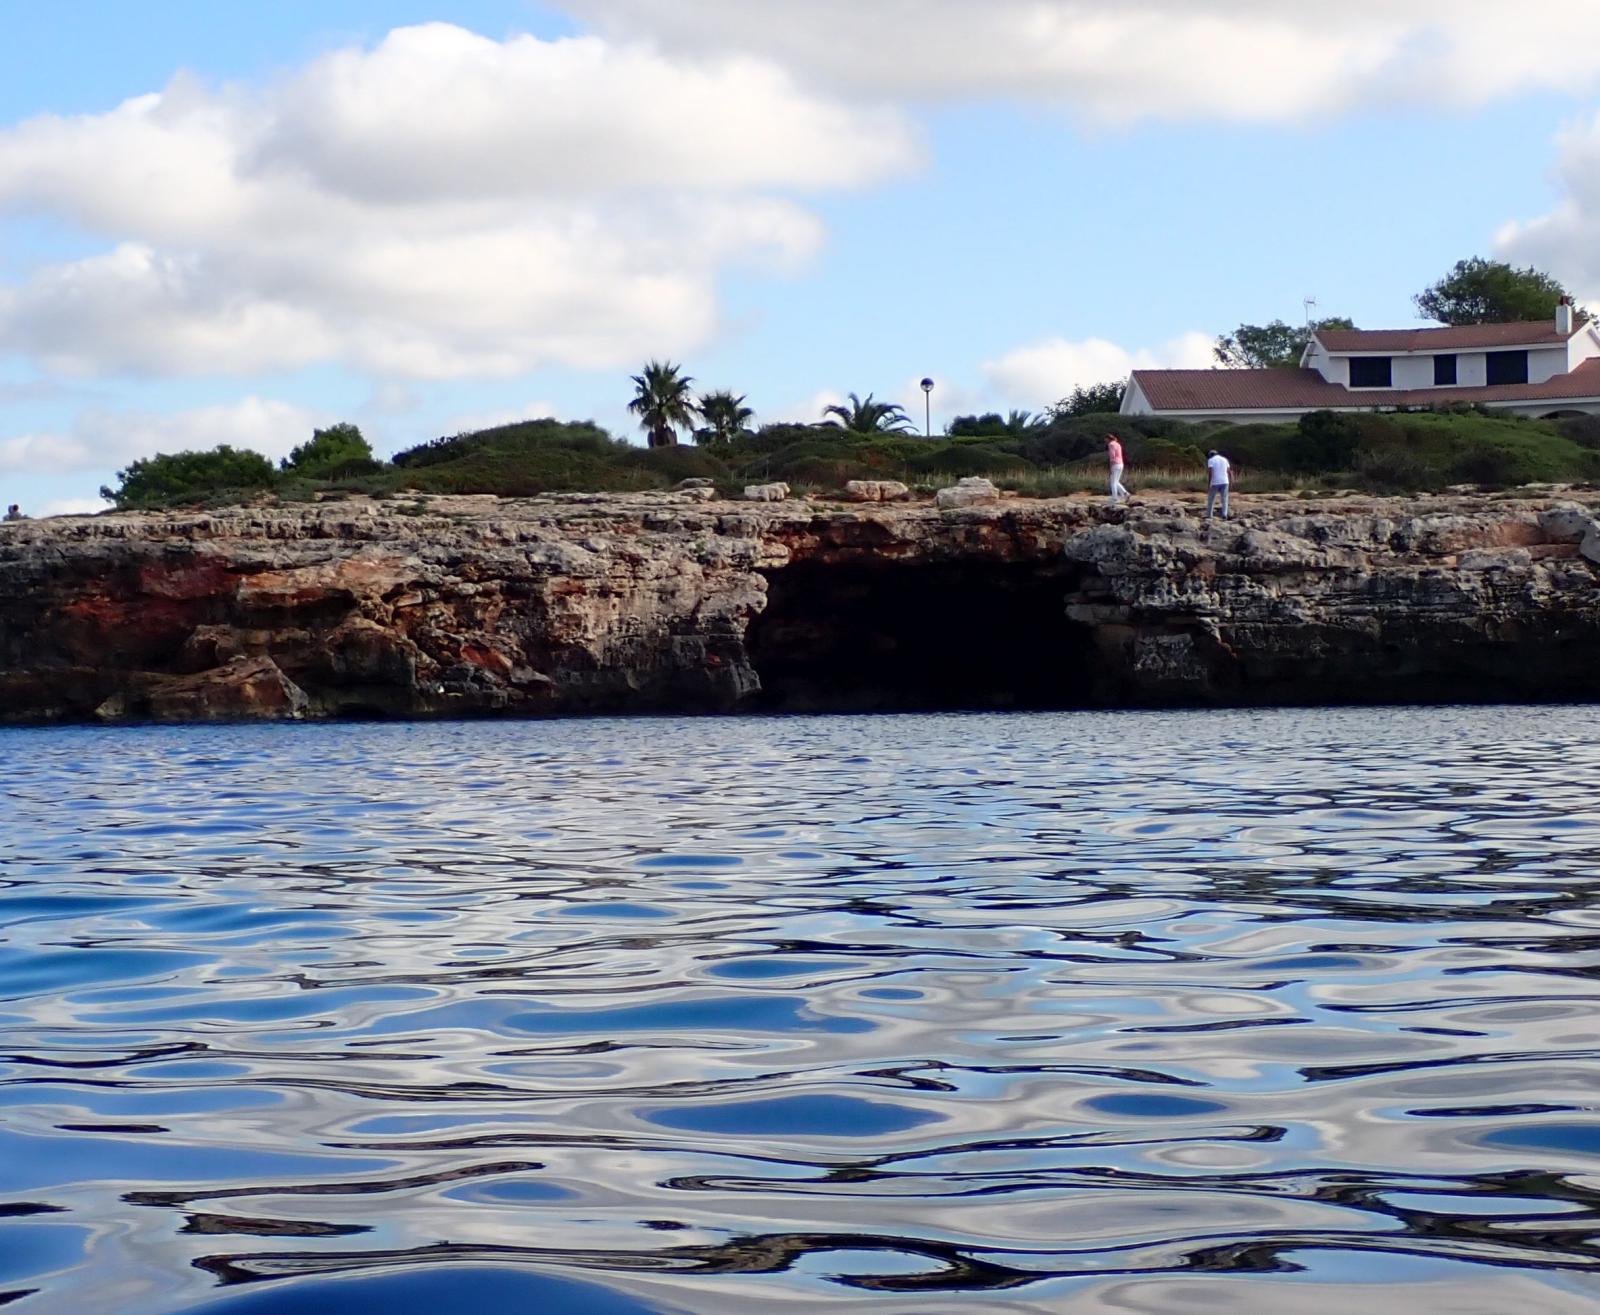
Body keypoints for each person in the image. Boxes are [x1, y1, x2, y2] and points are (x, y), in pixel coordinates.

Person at [1205, 450, 1231, 521]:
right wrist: (1230, 480)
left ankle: (1209, 515)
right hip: (1225, 481)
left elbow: (1210, 472)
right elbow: (1229, 471)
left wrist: (1209, 482)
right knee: (1224, 499)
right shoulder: (1225, 459)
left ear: (1211, 455)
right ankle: (1224, 515)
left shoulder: (1211, 460)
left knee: (1211, 499)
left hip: (1215, 482)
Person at [1105, 434, 1130, 504]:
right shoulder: (1117, 444)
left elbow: (1112, 456)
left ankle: (1114, 498)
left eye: (1106, 439)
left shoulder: (1111, 444)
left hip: (1115, 464)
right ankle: (1125, 494)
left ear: (1108, 439)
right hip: (1120, 464)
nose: (1105, 440)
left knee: (1112, 482)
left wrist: (1110, 466)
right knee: (1116, 481)